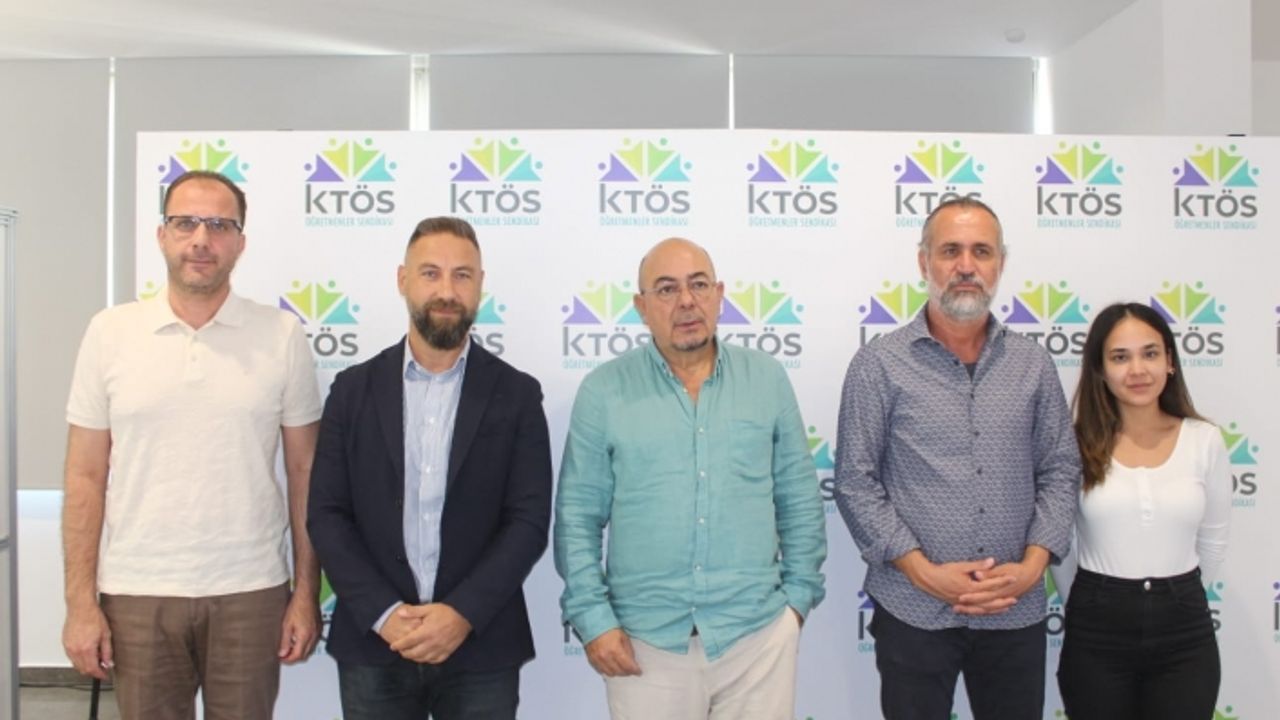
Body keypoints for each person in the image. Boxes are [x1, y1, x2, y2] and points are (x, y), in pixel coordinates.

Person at [61, 170, 323, 720]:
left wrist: (306, 593)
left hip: (251, 590)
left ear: (240, 243)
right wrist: (80, 604)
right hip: (136, 591)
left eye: (219, 225)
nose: (201, 239)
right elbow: (84, 477)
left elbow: (305, 473)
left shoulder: (281, 335)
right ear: (162, 235)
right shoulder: (110, 333)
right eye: (185, 223)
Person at [554, 237, 827, 720]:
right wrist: (594, 620)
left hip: (757, 638)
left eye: (699, 285)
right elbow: (577, 517)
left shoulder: (766, 379)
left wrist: (796, 604)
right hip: (644, 646)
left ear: (719, 295)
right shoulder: (604, 391)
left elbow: (800, 499)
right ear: (641, 307)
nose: (686, 301)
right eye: (666, 289)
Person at [833, 197, 1081, 719]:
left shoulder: (1033, 365)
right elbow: (856, 481)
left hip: (1014, 609)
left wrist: (1032, 567)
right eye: (950, 251)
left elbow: (1060, 470)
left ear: (1000, 264)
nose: (966, 266)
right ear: (924, 261)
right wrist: (923, 572)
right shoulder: (879, 365)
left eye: (981, 252)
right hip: (913, 609)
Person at [308, 216, 552, 719]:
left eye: (462, 275)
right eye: (430, 273)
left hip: (481, 645)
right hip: (374, 644)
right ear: (403, 280)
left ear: (480, 285)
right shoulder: (352, 391)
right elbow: (327, 514)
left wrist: (462, 613)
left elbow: (527, 522)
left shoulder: (517, 395)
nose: (446, 291)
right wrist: (385, 614)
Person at [1054, 302, 1229, 719]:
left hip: (1184, 633)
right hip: (1096, 631)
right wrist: (1090, 604)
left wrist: (1178, 598)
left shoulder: (1204, 440)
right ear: (1100, 369)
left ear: (1170, 361)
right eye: (1120, 357)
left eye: (1150, 353)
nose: (1137, 370)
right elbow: (1061, 545)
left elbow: (1213, 540)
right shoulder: (1075, 443)